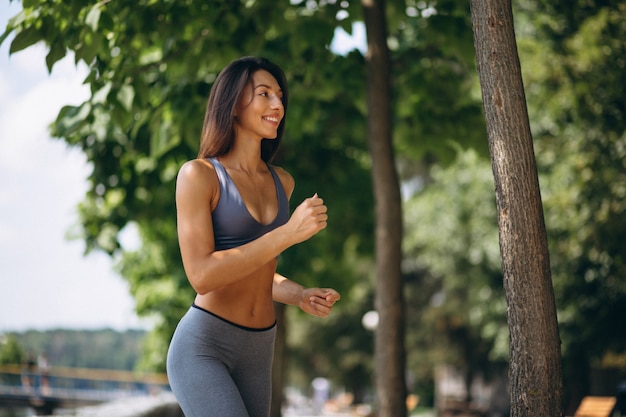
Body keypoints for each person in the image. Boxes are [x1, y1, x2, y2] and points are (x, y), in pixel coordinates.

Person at [166, 56, 341, 417]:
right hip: (204, 346)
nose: (278, 105)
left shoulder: (283, 182)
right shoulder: (198, 176)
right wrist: (288, 234)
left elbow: (258, 268)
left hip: (261, 347)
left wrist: (300, 294)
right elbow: (202, 276)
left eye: (280, 96)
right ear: (232, 104)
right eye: (264, 94)